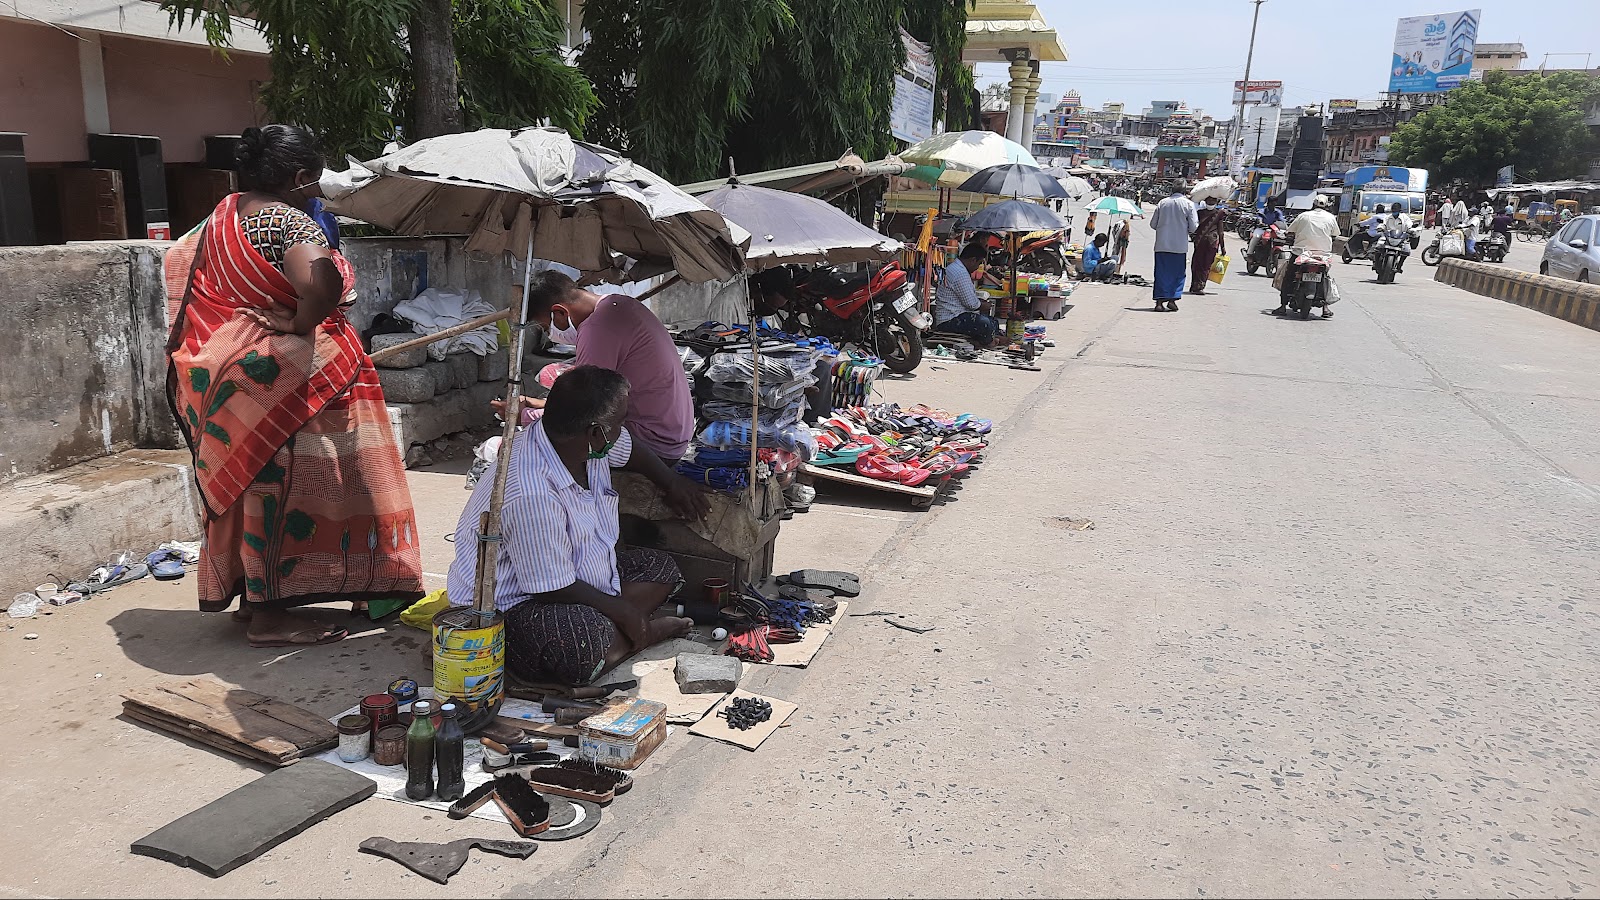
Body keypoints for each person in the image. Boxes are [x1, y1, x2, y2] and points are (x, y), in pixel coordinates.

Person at [164, 125, 424, 648]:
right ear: (300, 176)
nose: (316, 192)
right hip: (286, 380)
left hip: (231, 377)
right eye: (315, 181)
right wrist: (300, 322)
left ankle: (252, 599)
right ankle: (272, 617)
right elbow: (320, 284)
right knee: (292, 493)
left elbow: (181, 272)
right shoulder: (286, 220)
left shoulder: (220, 219)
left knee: (252, 489)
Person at [447, 366, 712, 686]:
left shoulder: (587, 443)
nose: (623, 430)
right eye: (619, 424)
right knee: (584, 642)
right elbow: (550, 587)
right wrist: (627, 614)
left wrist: (670, 481)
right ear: (595, 433)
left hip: (576, 577)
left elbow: (631, 450)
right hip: (512, 606)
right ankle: (636, 634)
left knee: (660, 569)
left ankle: (619, 637)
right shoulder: (531, 492)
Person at [520, 272, 695, 466]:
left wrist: (524, 417)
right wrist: (539, 405)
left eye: (546, 327)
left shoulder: (596, 329)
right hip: (673, 435)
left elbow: (582, 410)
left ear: (560, 312)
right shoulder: (619, 304)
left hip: (652, 445)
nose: (549, 334)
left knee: (537, 448)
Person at [1273, 194, 1341, 319]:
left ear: (1313, 204)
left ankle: (1283, 306)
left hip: (1301, 253)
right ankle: (1326, 308)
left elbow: (1290, 231)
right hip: (1322, 256)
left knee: (1288, 276)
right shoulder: (1331, 218)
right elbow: (1336, 234)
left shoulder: (1303, 216)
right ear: (1326, 206)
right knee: (1325, 277)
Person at [934, 242, 1001, 349]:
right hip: (950, 319)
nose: (978, 267)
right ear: (973, 260)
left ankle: (990, 339)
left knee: (992, 322)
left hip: (955, 316)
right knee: (985, 323)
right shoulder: (960, 273)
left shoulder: (957, 269)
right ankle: (987, 342)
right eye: (978, 263)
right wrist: (983, 305)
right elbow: (971, 304)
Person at [1149, 183, 1198, 311]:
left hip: (1162, 245)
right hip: (1179, 246)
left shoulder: (1162, 203)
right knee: (1178, 274)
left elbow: (1153, 224)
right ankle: (1172, 299)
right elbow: (1193, 227)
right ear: (1184, 190)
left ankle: (1159, 302)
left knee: (1161, 273)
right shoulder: (1188, 204)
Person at [1189, 196, 1228, 295]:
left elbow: (1221, 231)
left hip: (1210, 243)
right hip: (1201, 242)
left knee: (1205, 265)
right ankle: (1195, 285)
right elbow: (1193, 226)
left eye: (1213, 200)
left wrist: (1222, 246)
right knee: (1197, 264)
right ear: (1205, 201)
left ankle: (1199, 286)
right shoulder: (1200, 213)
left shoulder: (1219, 214)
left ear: (1216, 201)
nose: (1211, 202)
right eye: (1209, 200)